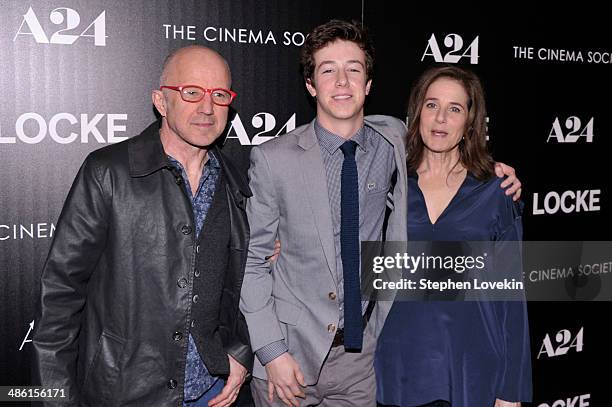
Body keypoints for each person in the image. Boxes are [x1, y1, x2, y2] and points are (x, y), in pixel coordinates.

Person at [240, 20, 521, 407]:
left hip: (363, 362)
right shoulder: (274, 159)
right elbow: (252, 262)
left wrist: (499, 173)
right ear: (310, 85)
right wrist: (271, 353)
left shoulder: (389, 141)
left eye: (353, 69)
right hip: (290, 360)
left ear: (369, 84)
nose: (342, 82)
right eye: (328, 70)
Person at [32, 45, 253, 407]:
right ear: (161, 101)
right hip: (123, 393)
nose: (208, 107)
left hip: (211, 392)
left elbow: (244, 281)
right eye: (192, 92)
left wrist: (241, 353)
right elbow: (59, 294)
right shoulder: (108, 172)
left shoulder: (234, 181)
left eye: (220, 95)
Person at [374, 65, 532, 407]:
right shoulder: (390, 183)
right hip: (396, 365)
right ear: (417, 112)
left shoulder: (496, 191)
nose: (441, 118)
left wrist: (511, 390)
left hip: (472, 369)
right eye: (432, 105)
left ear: (470, 122)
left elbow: (512, 300)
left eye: (454, 108)